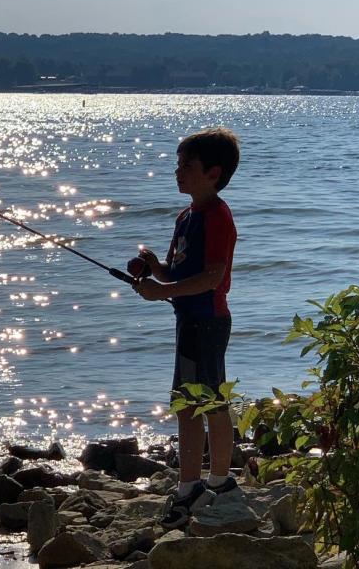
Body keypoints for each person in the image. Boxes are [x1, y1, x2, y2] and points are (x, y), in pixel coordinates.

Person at [132, 127, 239, 529]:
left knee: (199, 403)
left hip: (207, 322)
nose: (179, 172)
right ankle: (205, 480)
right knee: (193, 402)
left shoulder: (217, 217)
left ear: (213, 173)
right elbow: (180, 271)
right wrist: (155, 269)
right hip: (190, 321)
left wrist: (164, 291)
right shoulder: (186, 215)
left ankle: (203, 483)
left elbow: (212, 277)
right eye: (178, 165)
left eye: (187, 166)